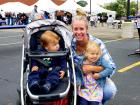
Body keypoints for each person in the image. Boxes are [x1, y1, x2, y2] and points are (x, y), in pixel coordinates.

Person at [71, 16, 117, 105]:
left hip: (96, 80)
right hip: (79, 81)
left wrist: (91, 68)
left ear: (86, 29)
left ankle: (99, 102)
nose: (78, 32)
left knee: (109, 91)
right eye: (75, 29)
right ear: (72, 30)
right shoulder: (69, 44)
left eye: (81, 29)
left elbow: (112, 66)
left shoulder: (97, 43)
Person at [77, 41, 104, 105]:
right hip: (84, 88)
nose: (95, 56)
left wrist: (96, 70)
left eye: (97, 54)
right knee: (83, 102)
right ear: (86, 53)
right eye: (92, 54)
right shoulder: (82, 62)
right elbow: (77, 72)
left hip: (96, 88)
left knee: (94, 103)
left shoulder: (100, 62)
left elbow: (109, 68)